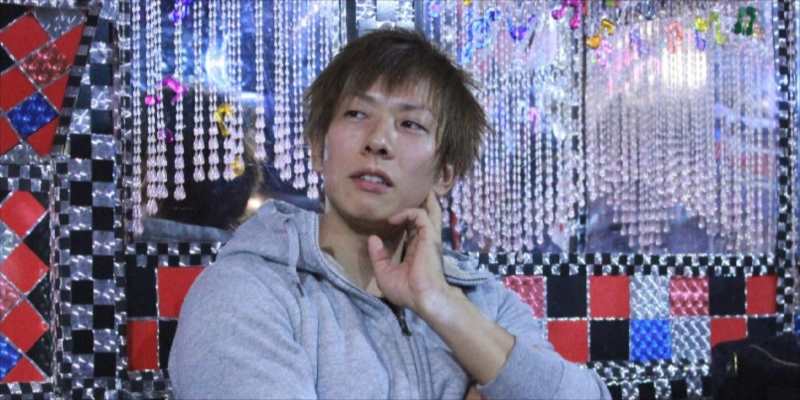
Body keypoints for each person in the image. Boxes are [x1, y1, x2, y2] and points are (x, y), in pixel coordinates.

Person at [168, 28, 611, 399]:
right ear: (319, 149)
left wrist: (441, 304)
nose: (378, 141)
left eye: (410, 124)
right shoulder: (247, 291)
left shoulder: (482, 301)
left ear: (445, 174)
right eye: (356, 113)